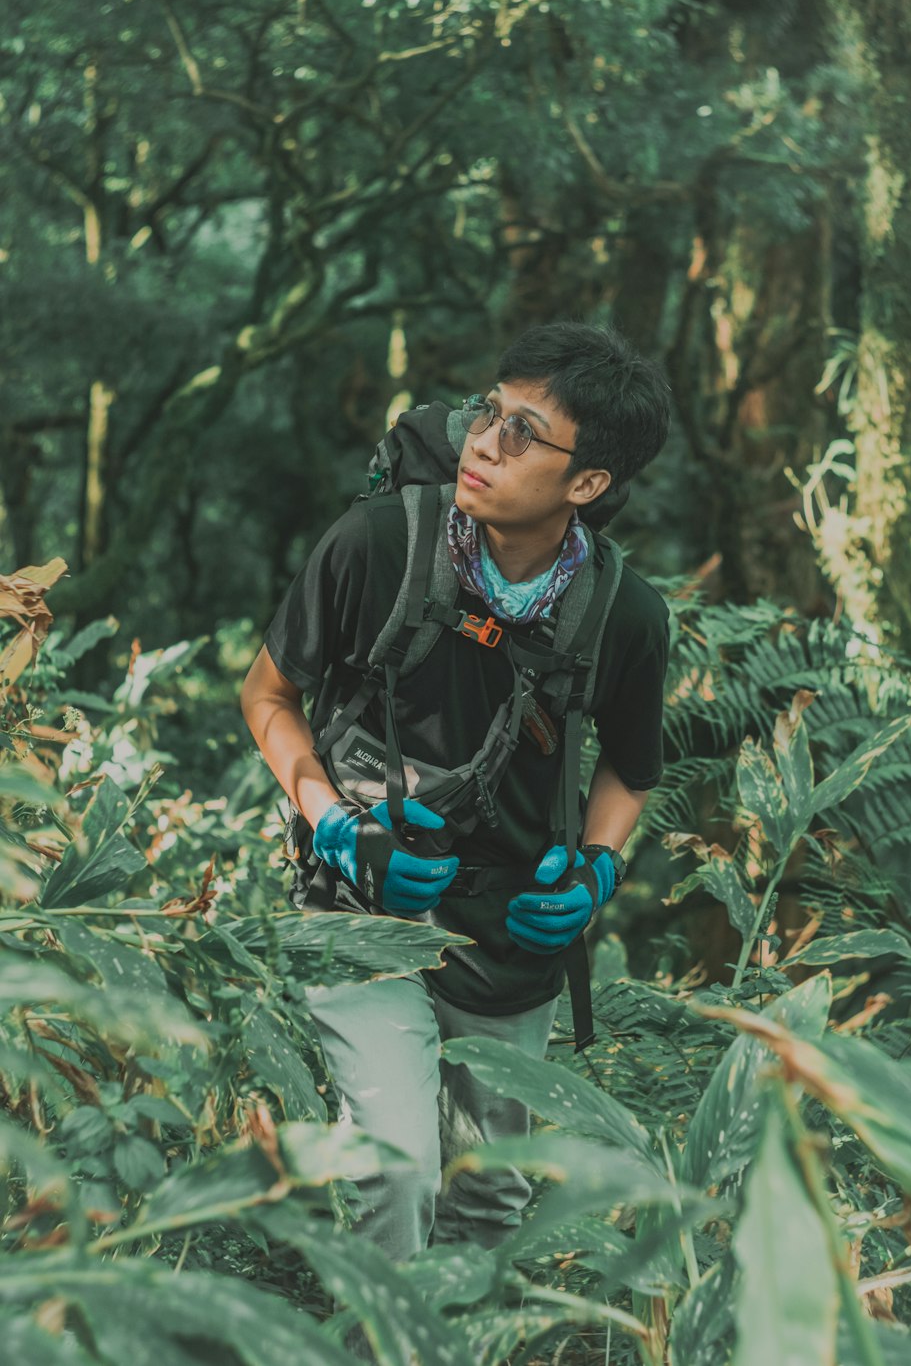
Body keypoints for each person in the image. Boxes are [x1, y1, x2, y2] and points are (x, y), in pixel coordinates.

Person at [240, 321, 672, 1263]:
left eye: (524, 432)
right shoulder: (378, 545)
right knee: (393, 1171)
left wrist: (595, 870)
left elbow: (631, 770)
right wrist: (337, 829)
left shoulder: (622, 613)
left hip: (514, 937)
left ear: (588, 484)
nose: (483, 440)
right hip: (364, 909)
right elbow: (268, 693)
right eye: (489, 411)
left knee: (488, 1202)